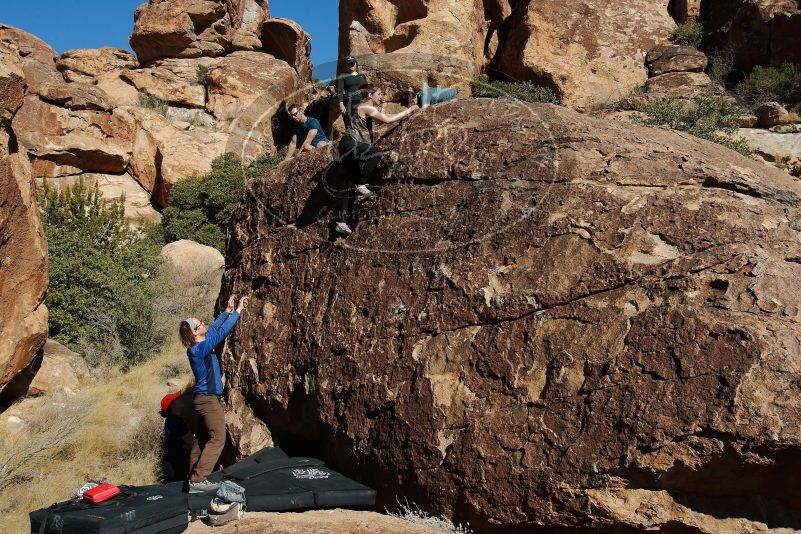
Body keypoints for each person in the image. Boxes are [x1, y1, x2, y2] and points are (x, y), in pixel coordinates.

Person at [179, 294, 249, 493]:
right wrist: (237, 312)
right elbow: (221, 333)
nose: (203, 323)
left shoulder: (198, 346)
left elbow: (214, 330)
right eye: (200, 323)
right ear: (195, 333)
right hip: (208, 402)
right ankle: (198, 480)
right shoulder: (198, 350)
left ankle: (191, 478)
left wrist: (227, 311)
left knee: (201, 441)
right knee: (218, 438)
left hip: (202, 401)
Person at [334, 84, 419, 237]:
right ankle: (362, 184)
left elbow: (382, 120)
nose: (382, 97)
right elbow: (386, 120)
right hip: (349, 143)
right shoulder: (366, 107)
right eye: (379, 93)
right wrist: (409, 110)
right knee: (376, 152)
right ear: (369, 95)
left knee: (348, 185)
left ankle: (341, 222)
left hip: (349, 148)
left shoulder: (366, 110)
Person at [160, 389, 195, 483]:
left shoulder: (170, 420)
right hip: (176, 465)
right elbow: (190, 441)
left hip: (171, 463)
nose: (181, 401)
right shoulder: (176, 420)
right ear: (173, 406)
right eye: (178, 400)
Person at [335, 55, 367, 127]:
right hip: (349, 103)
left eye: (353, 63)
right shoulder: (342, 76)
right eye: (349, 63)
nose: (351, 65)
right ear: (346, 65)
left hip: (361, 102)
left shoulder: (362, 76)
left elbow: (366, 89)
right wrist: (341, 104)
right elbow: (339, 91)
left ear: (356, 64)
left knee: (362, 124)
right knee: (350, 125)